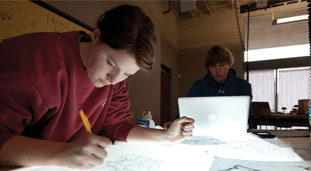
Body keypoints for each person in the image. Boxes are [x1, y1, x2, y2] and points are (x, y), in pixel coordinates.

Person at [0, 5, 194, 169]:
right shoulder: (38, 63)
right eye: (111, 63)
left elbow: (115, 126)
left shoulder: (116, 82)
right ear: (96, 35)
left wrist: (165, 137)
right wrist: (61, 152)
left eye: (127, 74)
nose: (114, 79)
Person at [164, 45, 251, 128]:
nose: (218, 70)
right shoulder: (198, 86)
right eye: (213, 66)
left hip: (234, 132)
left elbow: (246, 116)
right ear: (208, 68)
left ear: (229, 64)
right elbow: (188, 111)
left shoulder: (243, 86)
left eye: (221, 65)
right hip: (202, 132)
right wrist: (175, 123)